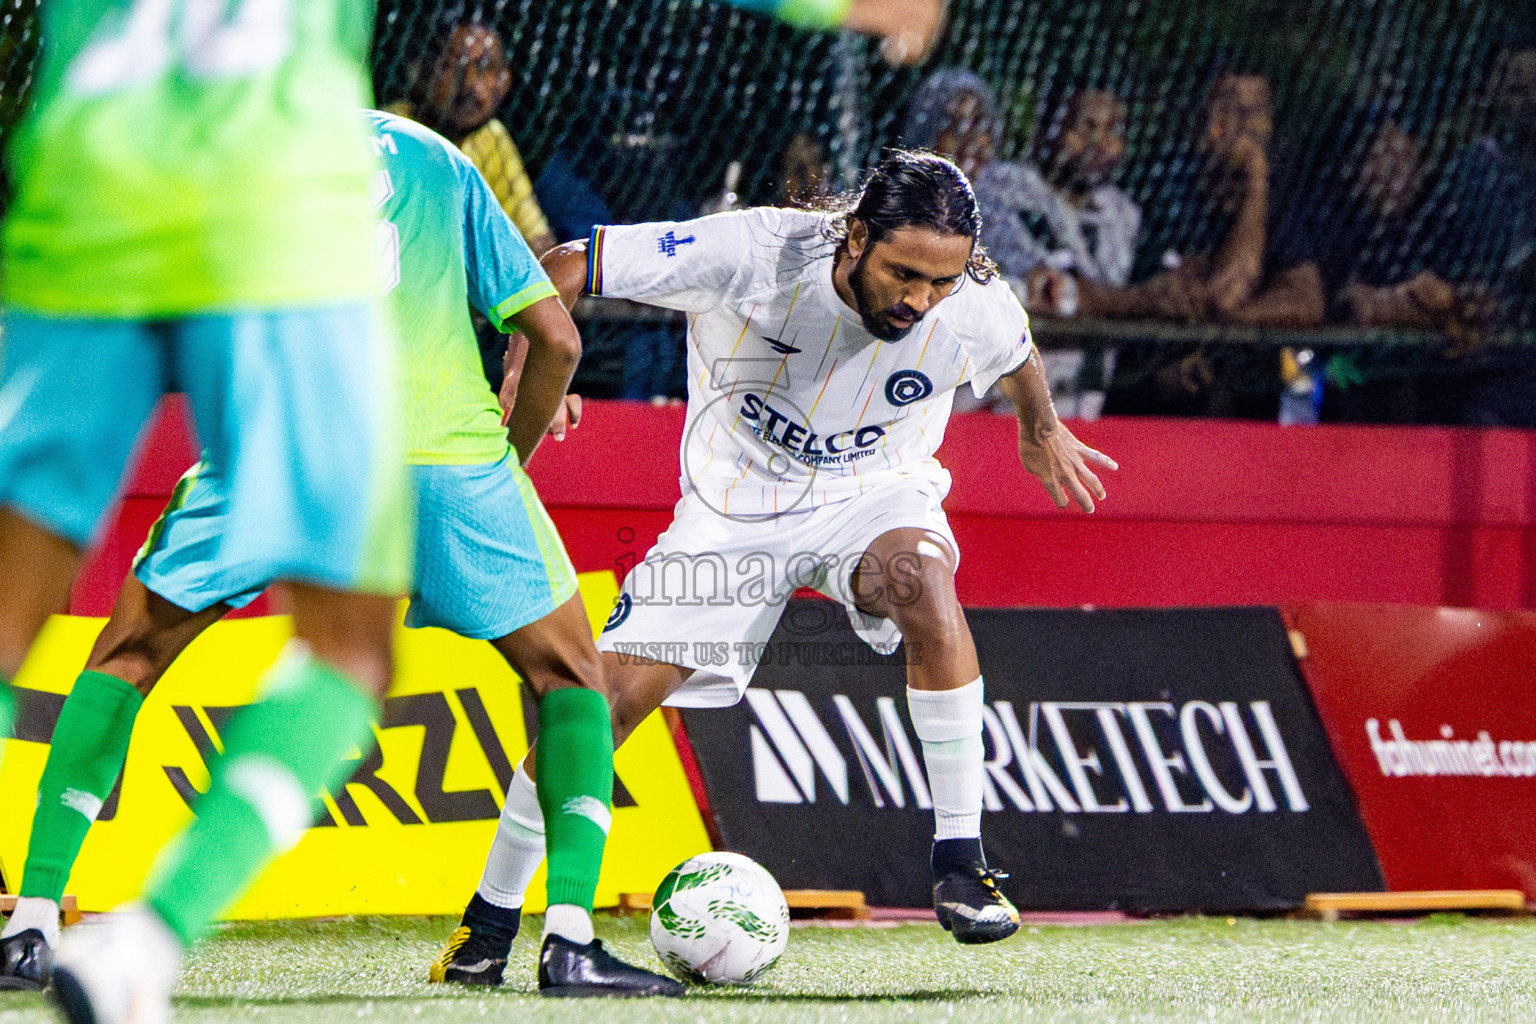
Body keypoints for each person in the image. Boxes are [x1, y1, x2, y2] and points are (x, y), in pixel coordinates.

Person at [0, 109, 681, 1001]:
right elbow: (557, 339)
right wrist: (498, 470)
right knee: (571, 684)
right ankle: (569, 941)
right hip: (445, 458)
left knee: (126, 658)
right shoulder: (440, 162)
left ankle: (34, 922)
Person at [430, 150, 1117, 981]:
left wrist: (1038, 427)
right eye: (902, 273)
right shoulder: (754, 253)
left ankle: (962, 861)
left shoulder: (969, 300)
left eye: (938, 283)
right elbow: (570, 265)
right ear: (857, 236)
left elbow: (1017, 357)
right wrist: (527, 364)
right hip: (731, 518)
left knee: (924, 582)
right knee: (595, 706)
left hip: (875, 495)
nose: (918, 301)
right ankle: (488, 930)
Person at [0, 2, 415, 1019]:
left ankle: (46, 912)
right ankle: (147, 941)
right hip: (274, 225)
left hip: (88, 200)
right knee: (348, 646)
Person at [389, 12, 558, 257]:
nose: (468, 82)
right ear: (418, 75)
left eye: (483, 67)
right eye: (450, 66)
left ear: (504, 82)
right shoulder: (394, 130)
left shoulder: (490, 136)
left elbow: (535, 238)